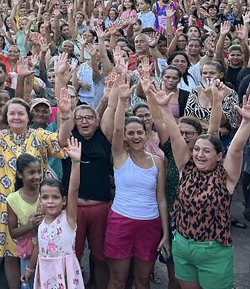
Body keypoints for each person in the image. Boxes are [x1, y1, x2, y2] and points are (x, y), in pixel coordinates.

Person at [153, 79, 247, 289]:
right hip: (183, 247)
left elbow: (237, 149)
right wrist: (164, 108)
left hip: (214, 251)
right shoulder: (185, 168)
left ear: (218, 156)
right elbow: (176, 138)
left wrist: (247, 122)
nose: (200, 154)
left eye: (206, 151)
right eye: (197, 150)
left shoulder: (226, 176)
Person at [0, 94, 64, 289]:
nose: (16, 117)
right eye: (12, 113)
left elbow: (61, 141)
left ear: (28, 117)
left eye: (21, 113)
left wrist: (65, 114)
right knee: (11, 255)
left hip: (36, 205)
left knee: (38, 251)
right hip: (5, 205)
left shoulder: (39, 135)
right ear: (6, 117)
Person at [105, 75, 169, 289]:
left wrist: (166, 234)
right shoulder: (119, 156)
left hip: (149, 225)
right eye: (129, 133)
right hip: (121, 221)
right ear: (124, 137)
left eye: (139, 132)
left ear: (146, 133)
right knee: (118, 280)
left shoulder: (158, 162)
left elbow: (161, 200)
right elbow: (115, 130)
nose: (135, 137)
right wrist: (122, 101)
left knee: (142, 281)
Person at [21, 137, 85, 289]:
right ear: (40, 200)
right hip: (45, 272)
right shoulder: (40, 221)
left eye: (55, 197)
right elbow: (38, 247)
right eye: (45, 197)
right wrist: (29, 269)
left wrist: (76, 163)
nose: (50, 201)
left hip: (66, 272)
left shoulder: (68, 218)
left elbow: (73, 190)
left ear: (63, 201)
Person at [7, 154, 42, 289]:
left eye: (39, 171)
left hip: (47, 249)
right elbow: (13, 232)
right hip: (27, 251)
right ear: (20, 175)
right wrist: (31, 225)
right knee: (29, 283)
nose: (37, 176)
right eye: (31, 172)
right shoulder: (13, 199)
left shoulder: (45, 193)